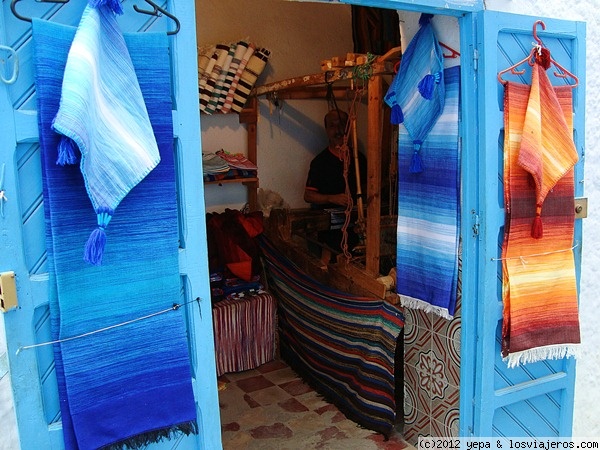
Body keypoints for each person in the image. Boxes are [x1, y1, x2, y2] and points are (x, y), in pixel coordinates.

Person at [303, 109, 367, 257]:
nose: (338, 130)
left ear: (349, 127)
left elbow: (366, 190)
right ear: (326, 130)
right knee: (330, 259)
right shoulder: (320, 162)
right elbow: (308, 195)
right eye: (332, 126)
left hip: (356, 226)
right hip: (329, 230)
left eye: (342, 125)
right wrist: (332, 198)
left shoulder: (359, 159)